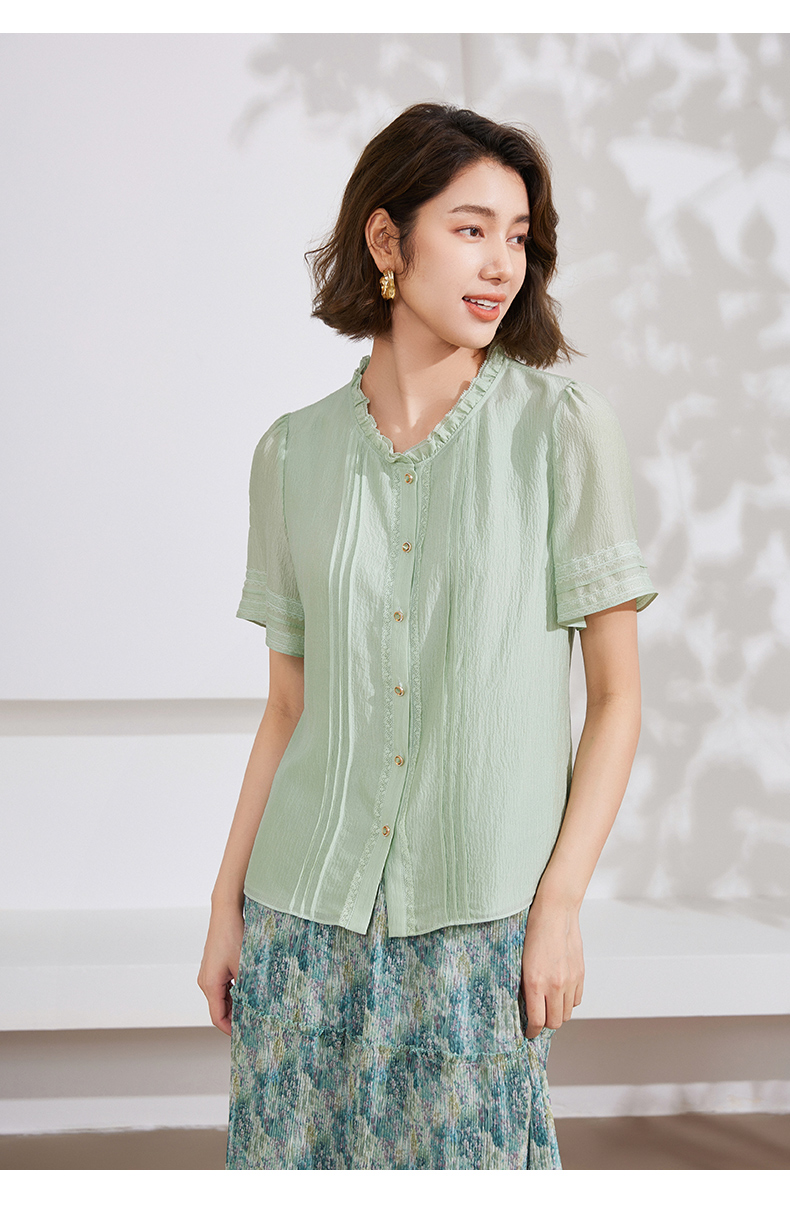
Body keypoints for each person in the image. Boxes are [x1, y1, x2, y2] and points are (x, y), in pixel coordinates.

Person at [198, 101, 657, 1171]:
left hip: (477, 926)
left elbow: (617, 700)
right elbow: (287, 710)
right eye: (470, 228)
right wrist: (225, 907)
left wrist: (559, 906)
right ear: (386, 239)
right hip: (300, 919)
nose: (502, 262)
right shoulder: (290, 455)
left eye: (518, 236)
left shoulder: (560, 433)